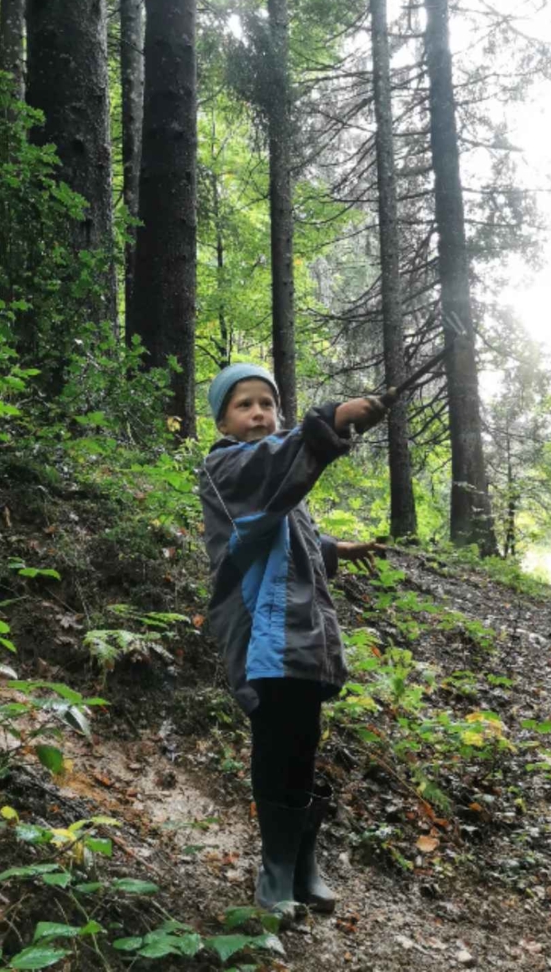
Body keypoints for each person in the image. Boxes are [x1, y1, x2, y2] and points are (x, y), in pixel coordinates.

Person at [199, 362, 387, 919]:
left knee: (304, 745)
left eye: (267, 404)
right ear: (224, 423)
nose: (259, 414)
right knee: (275, 744)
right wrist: (331, 419)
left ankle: (304, 864)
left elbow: (286, 533)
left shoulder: (280, 477)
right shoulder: (226, 467)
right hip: (263, 634)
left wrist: (335, 547)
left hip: (302, 636)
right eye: (244, 406)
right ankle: (275, 869)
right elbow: (268, 482)